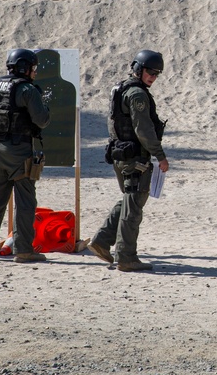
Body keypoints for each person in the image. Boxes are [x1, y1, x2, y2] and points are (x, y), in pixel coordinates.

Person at [89, 49, 169, 272]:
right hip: (134, 157)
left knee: (128, 200)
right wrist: (160, 155)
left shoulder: (121, 88)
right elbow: (143, 129)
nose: (153, 77)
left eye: (156, 74)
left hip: (122, 154)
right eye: (150, 72)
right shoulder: (137, 95)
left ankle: (102, 241)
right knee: (133, 207)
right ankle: (126, 257)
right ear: (138, 69)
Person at [0, 48, 51, 263]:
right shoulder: (27, 89)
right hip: (18, 152)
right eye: (33, 68)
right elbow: (42, 120)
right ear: (24, 68)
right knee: (25, 202)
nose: (35, 72)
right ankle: (24, 250)